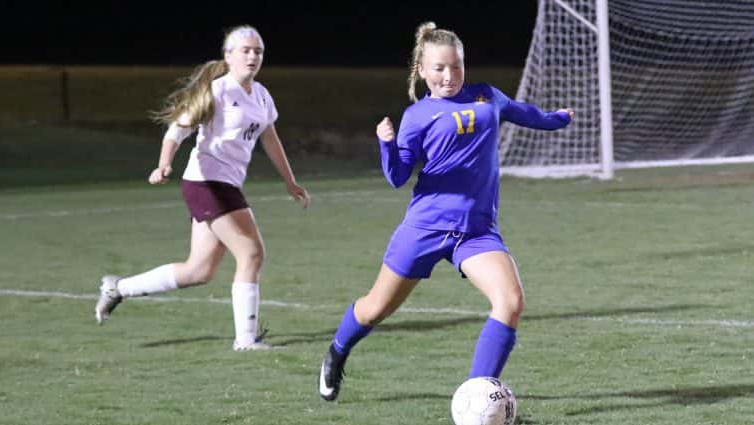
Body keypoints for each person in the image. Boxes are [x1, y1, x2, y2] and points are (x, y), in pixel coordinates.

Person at [318, 22, 573, 401]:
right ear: (422, 70)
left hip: (476, 231)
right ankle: (337, 352)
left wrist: (558, 118)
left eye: (456, 66)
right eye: (439, 68)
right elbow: (397, 176)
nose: (449, 76)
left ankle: (476, 397)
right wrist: (386, 145)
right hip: (425, 228)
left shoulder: (487, 97)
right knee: (374, 310)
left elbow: (525, 112)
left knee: (510, 302)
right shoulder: (417, 116)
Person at [94, 25, 310, 351]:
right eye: (246, 50)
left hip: (227, 185)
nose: (253, 56)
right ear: (228, 56)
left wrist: (290, 181)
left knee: (199, 270)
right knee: (251, 253)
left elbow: (270, 137)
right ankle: (246, 340)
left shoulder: (262, 95)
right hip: (205, 182)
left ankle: (117, 288)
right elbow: (177, 130)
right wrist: (164, 162)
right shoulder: (218, 91)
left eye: (258, 51)